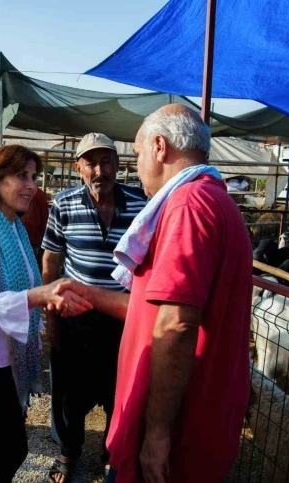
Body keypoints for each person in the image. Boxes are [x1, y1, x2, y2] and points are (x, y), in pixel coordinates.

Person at [57, 105, 252, 483]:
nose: (138, 163)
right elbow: (155, 309)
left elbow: (176, 324)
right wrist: (86, 293)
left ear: (160, 147)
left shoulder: (188, 206)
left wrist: (158, 432)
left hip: (181, 422)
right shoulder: (210, 198)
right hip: (194, 409)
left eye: (139, 153)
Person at [0, 145, 92, 483]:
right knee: (11, 447)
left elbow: (24, 289)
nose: (31, 185)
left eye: (34, 177)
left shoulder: (13, 228)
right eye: (21, 176)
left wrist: (48, 300)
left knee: (5, 445)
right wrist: (38, 295)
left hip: (10, 350)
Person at [42, 133, 147, 483]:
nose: (99, 169)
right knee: (71, 393)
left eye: (106, 161)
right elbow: (52, 262)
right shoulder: (64, 203)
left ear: (118, 165)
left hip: (124, 317)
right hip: (76, 317)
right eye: (90, 162)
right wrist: (51, 319)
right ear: (78, 168)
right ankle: (69, 453)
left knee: (121, 392)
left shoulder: (140, 203)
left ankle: (111, 454)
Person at [20, 186, 49, 264]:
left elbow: (44, 219)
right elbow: (45, 220)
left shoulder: (39, 194)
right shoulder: (39, 194)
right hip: (34, 240)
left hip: (32, 240)